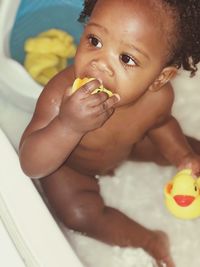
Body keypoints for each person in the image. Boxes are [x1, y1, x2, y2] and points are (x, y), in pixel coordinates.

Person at [19, 0, 200, 266]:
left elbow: (161, 125)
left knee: (191, 150)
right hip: (70, 167)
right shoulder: (60, 95)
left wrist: (182, 156)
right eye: (94, 40)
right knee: (79, 216)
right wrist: (68, 125)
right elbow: (30, 163)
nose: (100, 64)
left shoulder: (157, 98)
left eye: (126, 58)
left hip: (127, 147)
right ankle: (150, 240)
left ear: (159, 79)